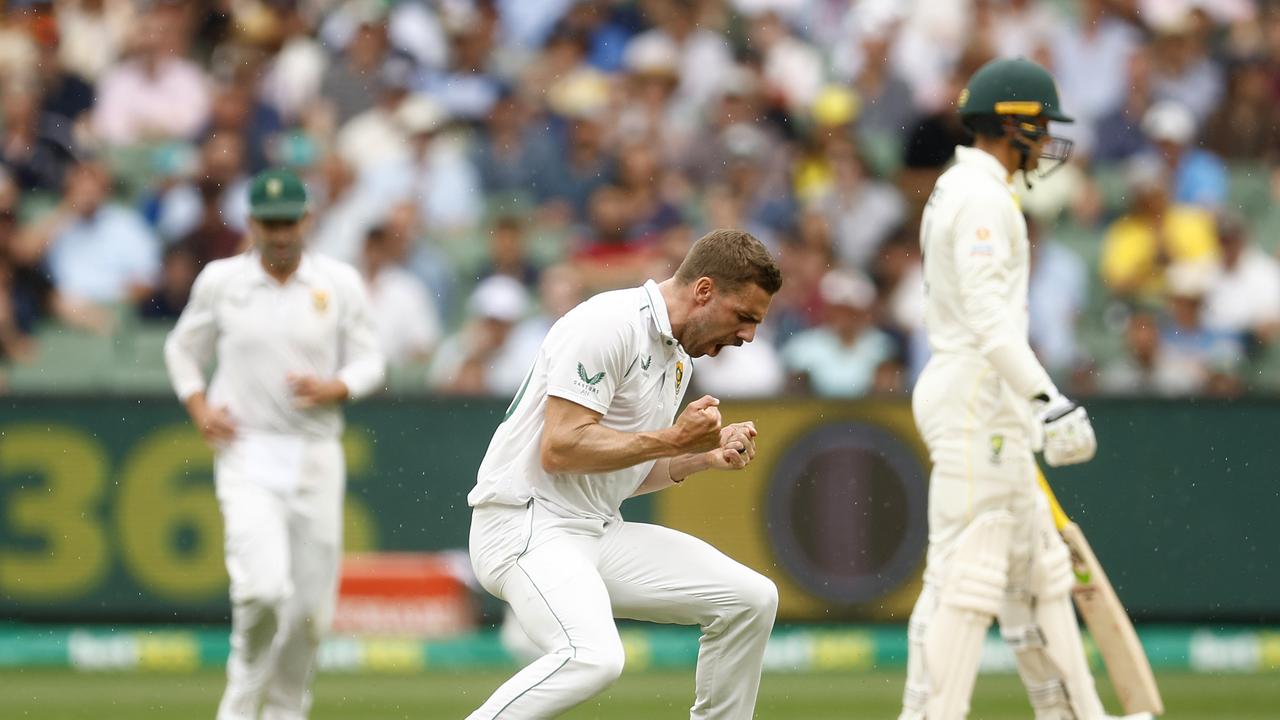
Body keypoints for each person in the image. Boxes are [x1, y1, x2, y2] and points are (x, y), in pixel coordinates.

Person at [901, 58, 1149, 720]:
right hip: (974, 397)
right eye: (1042, 128)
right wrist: (1049, 400)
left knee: (1039, 570)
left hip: (988, 399)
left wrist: (1027, 407)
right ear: (1015, 125)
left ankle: (1076, 712)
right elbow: (987, 318)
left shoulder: (972, 189)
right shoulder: (980, 197)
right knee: (963, 577)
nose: (1048, 143)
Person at [466, 229, 781, 719]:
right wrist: (675, 438)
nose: (748, 336)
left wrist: (702, 456)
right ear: (703, 291)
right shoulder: (608, 323)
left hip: (594, 530)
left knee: (751, 600)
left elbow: (624, 468)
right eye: (743, 317)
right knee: (594, 658)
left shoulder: (676, 355)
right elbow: (562, 449)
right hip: (522, 525)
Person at [164, 168, 385, 720]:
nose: (281, 233)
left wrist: (336, 386)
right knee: (261, 590)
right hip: (247, 450)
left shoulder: (338, 283)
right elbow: (181, 350)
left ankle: (286, 709)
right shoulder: (221, 281)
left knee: (310, 612)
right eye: (270, 222)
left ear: (307, 220)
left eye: (290, 221)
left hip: (316, 454)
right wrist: (198, 406)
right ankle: (240, 702)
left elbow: (372, 361)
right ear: (252, 223)